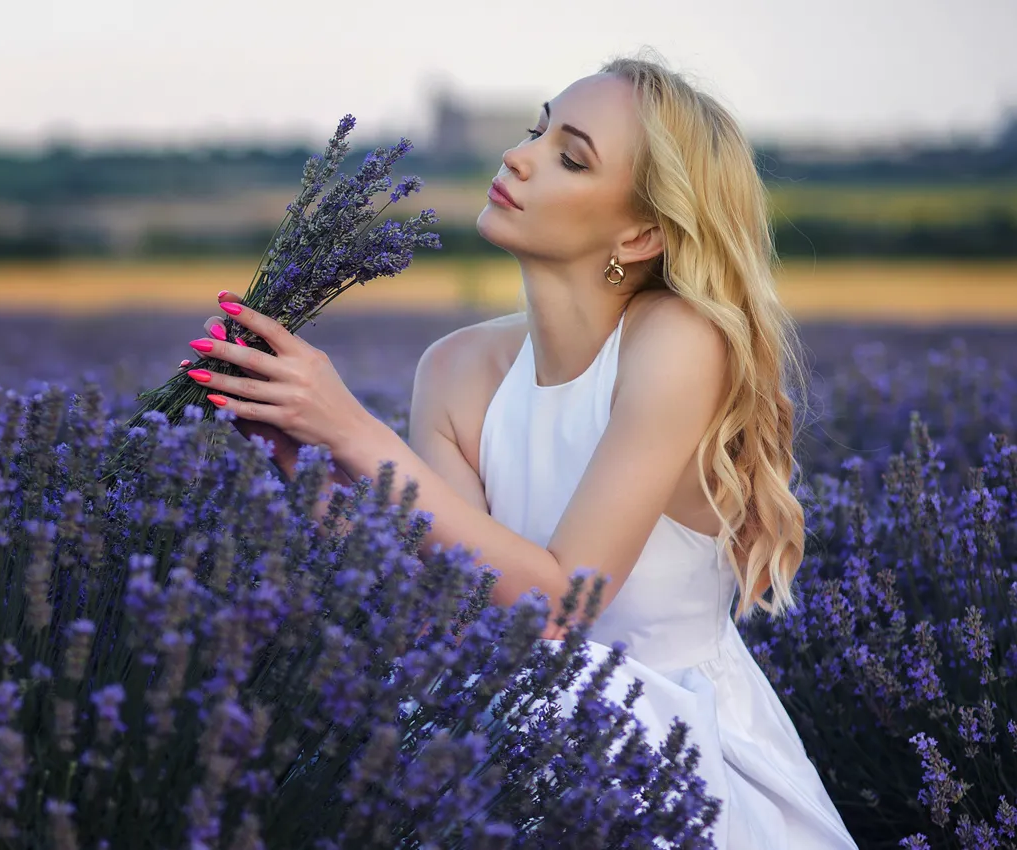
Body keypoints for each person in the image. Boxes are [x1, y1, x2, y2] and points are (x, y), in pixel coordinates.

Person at [184, 51, 858, 849]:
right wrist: (302, 465)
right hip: (511, 726)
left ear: (639, 232)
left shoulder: (680, 341)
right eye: (538, 130)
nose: (519, 155)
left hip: (671, 762)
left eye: (570, 156)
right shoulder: (457, 367)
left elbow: (565, 604)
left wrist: (354, 430)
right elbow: (450, 605)